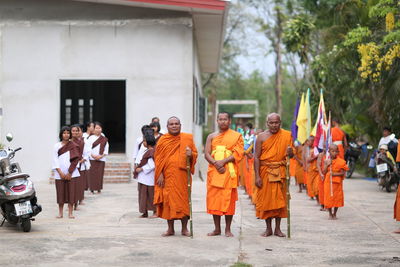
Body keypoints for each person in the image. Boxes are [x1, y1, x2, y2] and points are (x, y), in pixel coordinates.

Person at [153, 116, 198, 237]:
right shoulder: (163, 140)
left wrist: (191, 154)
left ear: (180, 125)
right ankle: (170, 229)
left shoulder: (187, 138)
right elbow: (158, 158)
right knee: (168, 201)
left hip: (183, 176)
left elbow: (195, 153)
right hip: (166, 176)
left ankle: (184, 229)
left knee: (184, 201)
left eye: (176, 124)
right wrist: (160, 174)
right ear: (167, 127)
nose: (174, 126)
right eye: (171, 124)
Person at [204, 112, 244, 237]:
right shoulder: (211, 136)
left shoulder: (236, 136)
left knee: (229, 201)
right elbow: (207, 154)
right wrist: (216, 164)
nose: (223, 121)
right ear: (217, 121)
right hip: (215, 171)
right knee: (214, 200)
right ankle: (217, 229)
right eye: (220, 119)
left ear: (229, 121)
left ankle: (228, 229)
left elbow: (238, 153)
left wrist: (223, 162)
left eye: (225, 119)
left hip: (228, 171)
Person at [254, 113, 293, 237]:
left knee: (280, 200)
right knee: (267, 200)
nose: (274, 125)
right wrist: (257, 176)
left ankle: (278, 229)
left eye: (276, 122)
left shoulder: (287, 135)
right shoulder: (261, 137)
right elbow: (256, 157)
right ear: (267, 123)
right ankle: (268, 228)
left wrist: (291, 153)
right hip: (266, 171)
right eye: (271, 122)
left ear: (280, 123)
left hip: (280, 171)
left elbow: (290, 156)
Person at [52, 126, 80, 219]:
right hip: (59, 174)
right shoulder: (57, 146)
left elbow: (76, 160)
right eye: (64, 133)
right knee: (60, 192)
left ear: (70, 134)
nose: (66, 134)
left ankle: (70, 213)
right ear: (61, 134)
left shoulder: (74, 145)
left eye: (68, 133)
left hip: (72, 173)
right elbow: (55, 160)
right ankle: (60, 213)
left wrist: (69, 173)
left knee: (71, 192)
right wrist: (60, 172)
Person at [323, 144, 349, 220]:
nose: (334, 153)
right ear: (329, 151)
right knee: (329, 198)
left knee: (337, 198)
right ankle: (330, 213)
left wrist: (334, 174)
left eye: (335, 151)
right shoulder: (326, 161)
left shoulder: (341, 162)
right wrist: (327, 165)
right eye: (332, 151)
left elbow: (343, 173)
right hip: (328, 182)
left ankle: (335, 213)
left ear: (338, 152)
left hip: (337, 183)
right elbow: (324, 172)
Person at [134, 132, 157, 218]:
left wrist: (142, 169)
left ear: (149, 142)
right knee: (143, 195)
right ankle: (144, 212)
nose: (143, 142)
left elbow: (152, 165)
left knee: (151, 195)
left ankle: (155, 211)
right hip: (143, 177)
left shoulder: (152, 152)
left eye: (144, 141)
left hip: (149, 177)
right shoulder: (145, 150)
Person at [88, 122, 109, 194]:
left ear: (101, 129)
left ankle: (99, 188)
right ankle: (92, 189)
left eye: (99, 128)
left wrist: (101, 156)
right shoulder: (90, 138)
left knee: (99, 174)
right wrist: (92, 155)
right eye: (96, 128)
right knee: (92, 174)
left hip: (101, 159)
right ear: (93, 129)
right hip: (92, 158)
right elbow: (87, 148)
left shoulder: (104, 139)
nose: (98, 130)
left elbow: (106, 149)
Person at [71, 124, 86, 209]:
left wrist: (79, 162)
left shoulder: (81, 142)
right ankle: (70, 202)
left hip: (78, 165)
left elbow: (83, 154)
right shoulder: (68, 142)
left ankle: (75, 203)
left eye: (77, 131)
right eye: (73, 131)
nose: (75, 132)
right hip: (68, 166)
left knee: (76, 185)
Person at [306, 136, 319, 201]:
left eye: (312, 141)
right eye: (309, 141)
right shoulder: (309, 150)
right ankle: (311, 196)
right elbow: (308, 160)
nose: (310, 142)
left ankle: (318, 200)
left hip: (317, 170)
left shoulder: (316, 149)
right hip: (311, 169)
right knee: (310, 183)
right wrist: (315, 157)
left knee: (316, 185)